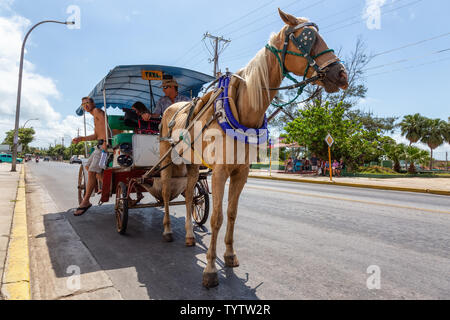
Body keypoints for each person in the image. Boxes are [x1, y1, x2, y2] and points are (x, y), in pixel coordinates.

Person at [72, 96, 108, 216]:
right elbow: (96, 135)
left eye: (87, 103)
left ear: (93, 103)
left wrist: (105, 143)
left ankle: (86, 201)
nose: (86, 105)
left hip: (104, 146)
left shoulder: (97, 111)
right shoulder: (93, 116)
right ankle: (102, 185)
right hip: (99, 145)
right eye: (83, 104)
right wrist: (81, 138)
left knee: (92, 171)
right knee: (87, 167)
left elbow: (105, 126)